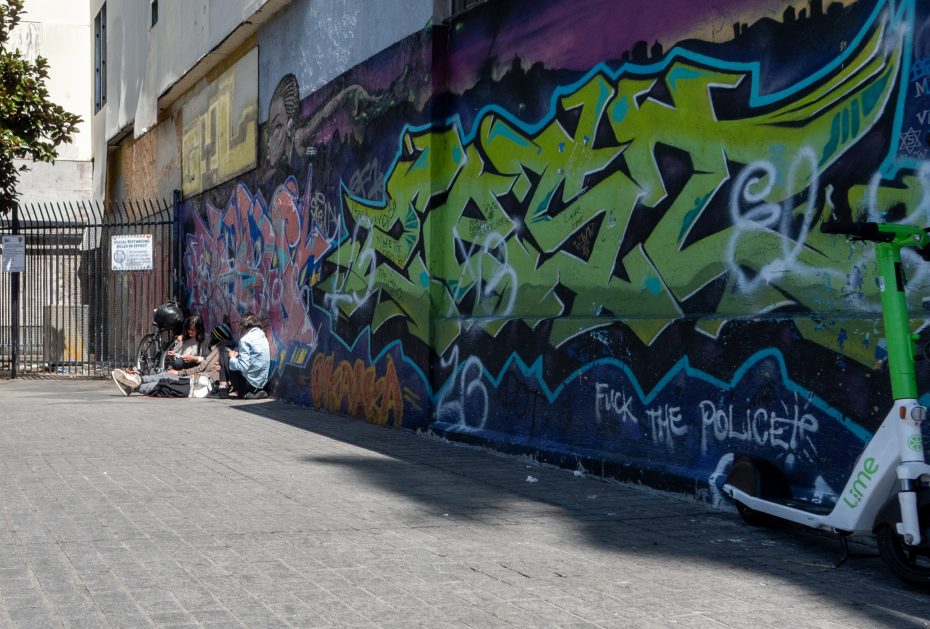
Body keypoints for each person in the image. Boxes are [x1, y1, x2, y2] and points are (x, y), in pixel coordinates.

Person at [112, 324, 231, 397]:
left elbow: (202, 368)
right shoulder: (219, 350)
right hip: (196, 378)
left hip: (198, 382)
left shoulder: (219, 351)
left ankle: (133, 386)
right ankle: (137, 380)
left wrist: (179, 373)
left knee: (165, 383)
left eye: (213, 337)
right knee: (165, 376)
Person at [217, 311, 270, 399]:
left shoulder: (245, 339)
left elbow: (243, 366)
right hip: (261, 385)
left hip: (248, 385)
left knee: (223, 351)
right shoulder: (263, 336)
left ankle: (223, 388)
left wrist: (232, 358)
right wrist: (238, 355)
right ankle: (256, 393)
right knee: (233, 351)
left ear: (243, 326)